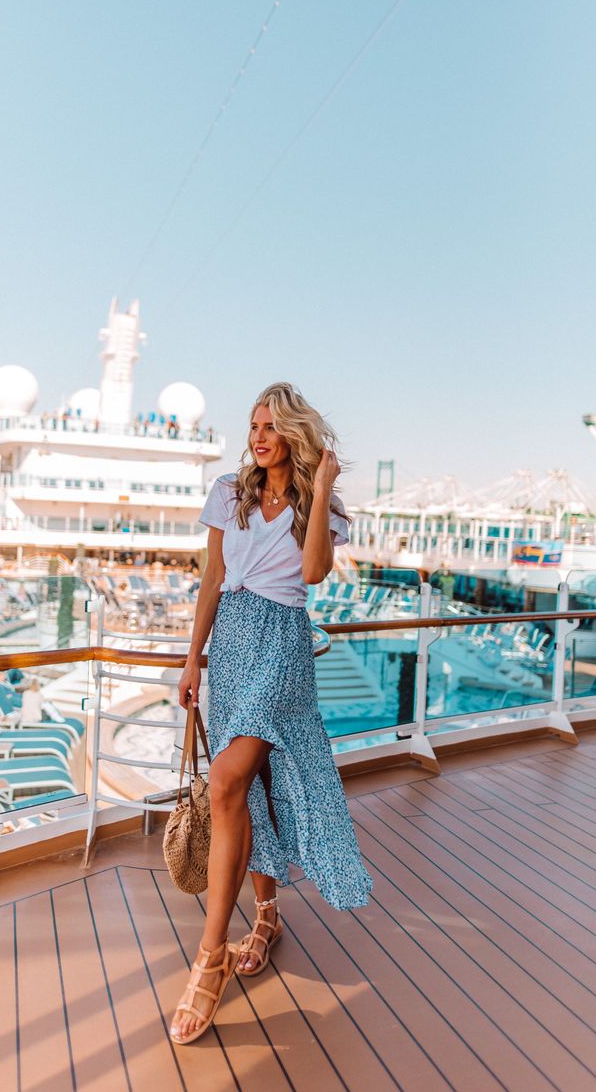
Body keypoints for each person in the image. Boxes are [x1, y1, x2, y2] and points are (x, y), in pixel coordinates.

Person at [170, 382, 372, 1045]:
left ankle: (208, 960)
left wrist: (328, 478)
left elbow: (313, 574)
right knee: (247, 789)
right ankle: (266, 915)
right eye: (253, 425)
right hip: (229, 641)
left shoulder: (319, 503)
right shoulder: (229, 494)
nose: (258, 436)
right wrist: (193, 659)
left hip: (282, 646)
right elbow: (210, 580)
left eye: (271, 426)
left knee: (227, 779)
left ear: (295, 435)